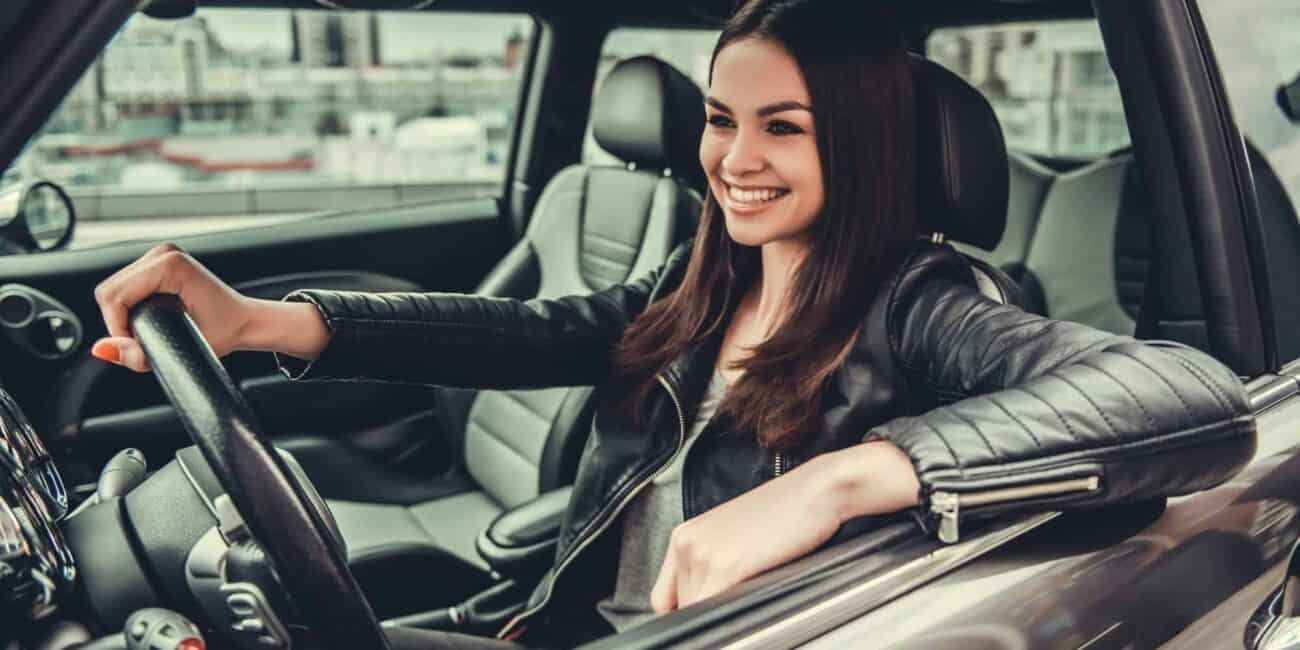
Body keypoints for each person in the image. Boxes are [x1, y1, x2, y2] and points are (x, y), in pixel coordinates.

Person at [89, 1, 1254, 648]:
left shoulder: (929, 305)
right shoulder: (706, 275)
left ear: (864, 145)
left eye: (783, 128)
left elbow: (1186, 394)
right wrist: (267, 321)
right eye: (718, 119)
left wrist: (842, 476)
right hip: (554, 626)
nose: (734, 162)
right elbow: (533, 331)